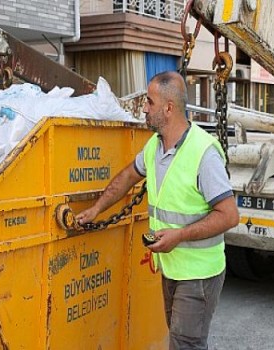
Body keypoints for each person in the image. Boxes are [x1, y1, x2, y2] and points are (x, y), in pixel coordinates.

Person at [76, 71, 239, 350]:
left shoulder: (203, 153)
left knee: (184, 344)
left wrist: (179, 235)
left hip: (199, 274)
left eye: (149, 102)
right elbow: (128, 176)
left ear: (168, 108)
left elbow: (229, 215)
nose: (143, 108)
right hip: (172, 268)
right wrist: (96, 209)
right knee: (180, 340)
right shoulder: (155, 146)